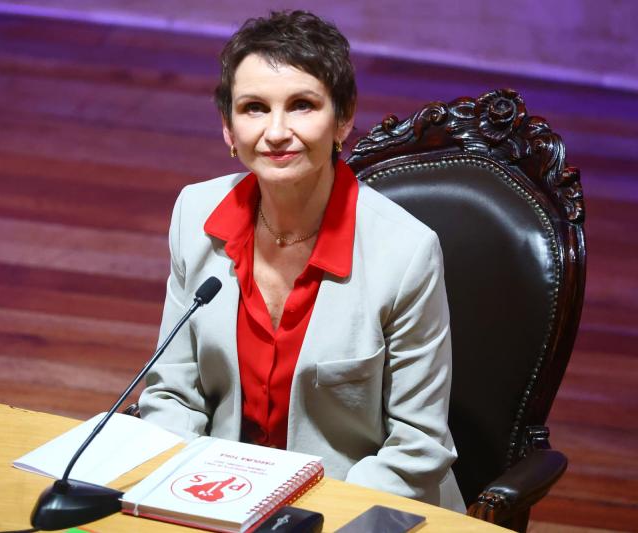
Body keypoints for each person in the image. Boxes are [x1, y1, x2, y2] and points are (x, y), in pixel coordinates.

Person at [139, 10, 464, 512]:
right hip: (222, 500)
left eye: (302, 105)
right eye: (253, 108)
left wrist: (307, 518)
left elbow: (418, 446)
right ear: (227, 127)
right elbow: (171, 394)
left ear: (344, 118)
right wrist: (191, 496)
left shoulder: (406, 253)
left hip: (357, 510)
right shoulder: (194, 214)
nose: (276, 132)